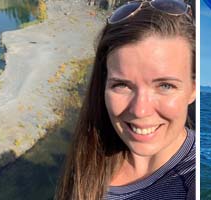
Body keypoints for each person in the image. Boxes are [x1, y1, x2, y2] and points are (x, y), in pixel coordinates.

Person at [55, 0, 196, 199]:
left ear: (193, 89)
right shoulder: (90, 157)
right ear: (102, 86)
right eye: (122, 85)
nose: (140, 110)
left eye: (165, 85)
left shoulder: (195, 179)